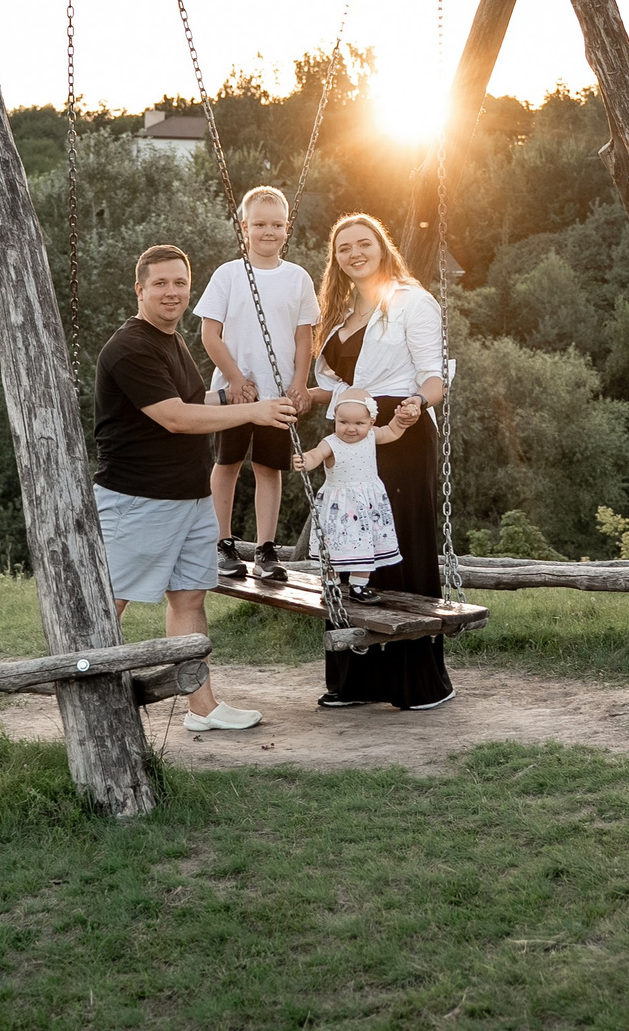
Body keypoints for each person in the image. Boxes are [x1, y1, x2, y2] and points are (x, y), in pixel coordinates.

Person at [93, 243, 300, 733]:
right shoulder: (129, 347)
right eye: (160, 283)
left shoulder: (172, 339)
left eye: (180, 283)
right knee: (109, 606)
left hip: (189, 500)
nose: (172, 292)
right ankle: (92, 712)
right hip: (137, 500)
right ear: (139, 289)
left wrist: (227, 395)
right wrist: (249, 412)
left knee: (189, 601)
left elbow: (189, 399)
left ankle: (202, 708)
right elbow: (175, 418)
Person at [307, 211, 453, 711]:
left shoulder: (413, 302)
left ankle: (417, 681)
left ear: (382, 246)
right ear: (336, 258)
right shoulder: (341, 314)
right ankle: (356, 681)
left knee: (400, 545)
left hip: (401, 430)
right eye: (343, 247)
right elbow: (330, 388)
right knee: (349, 549)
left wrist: (420, 404)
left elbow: (433, 375)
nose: (354, 252)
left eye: (363, 242)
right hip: (350, 436)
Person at [192, 185, 317, 583]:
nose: (269, 231)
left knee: (268, 468)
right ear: (244, 227)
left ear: (287, 228)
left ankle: (265, 549)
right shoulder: (228, 274)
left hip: (278, 394)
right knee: (226, 463)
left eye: (277, 224)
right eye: (260, 224)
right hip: (235, 392)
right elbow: (210, 335)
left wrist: (299, 382)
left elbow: (303, 337)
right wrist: (234, 378)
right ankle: (222, 542)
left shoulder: (297, 278)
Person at [290, 389, 405, 601]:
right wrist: (305, 460)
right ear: (335, 420)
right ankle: (331, 584)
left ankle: (359, 586)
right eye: (343, 422)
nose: (350, 429)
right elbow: (316, 454)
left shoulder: (372, 435)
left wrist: (401, 421)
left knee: (366, 543)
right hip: (340, 506)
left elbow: (391, 431)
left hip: (368, 504)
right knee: (334, 545)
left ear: (371, 422)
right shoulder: (331, 442)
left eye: (359, 424)